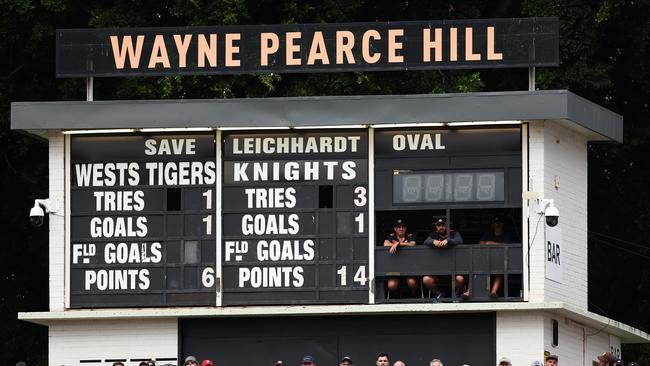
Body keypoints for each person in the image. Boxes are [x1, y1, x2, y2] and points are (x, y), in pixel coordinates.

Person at [423, 218, 466, 299]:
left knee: (460, 278)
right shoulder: (434, 234)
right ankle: (439, 293)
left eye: (443, 225)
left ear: (446, 226)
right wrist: (433, 241)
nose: (441, 227)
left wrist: (448, 240)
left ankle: (455, 294)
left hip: (453, 269)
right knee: (426, 279)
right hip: (437, 270)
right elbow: (425, 241)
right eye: (439, 225)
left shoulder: (453, 233)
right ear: (436, 226)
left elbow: (460, 240)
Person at [383, 219, 418, 296]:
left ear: (405, 228)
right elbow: (385, 244)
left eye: (403, 227)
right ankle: (397, 295)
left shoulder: (409, 236)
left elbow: (413, 244)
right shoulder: (391, 236)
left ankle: (414, 295)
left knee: (412, 282)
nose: (401, 229)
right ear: (395, 229)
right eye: (398, 227)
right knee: (391, 285)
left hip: (408, 267)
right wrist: (401, 244)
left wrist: (398, 244)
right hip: (394, 268)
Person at [479, 216, 511, 298]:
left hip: (500, 260)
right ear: (492, 225)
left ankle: (493, 292)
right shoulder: (488, 234)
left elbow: (507, 245)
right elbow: (481, 243)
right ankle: (480, 293)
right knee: (481, 271)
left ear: (502, 225)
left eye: (499, 223)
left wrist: (491, 243)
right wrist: (488, 243)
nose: (497, 225)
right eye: (496, 223)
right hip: (487, 259)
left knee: (499, 271)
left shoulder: (506, 235)